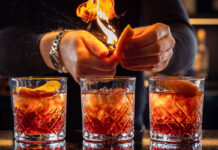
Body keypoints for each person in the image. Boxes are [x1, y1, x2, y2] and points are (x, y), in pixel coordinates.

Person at [0, 0, 197, 130]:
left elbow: (184, 38)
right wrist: (54, 47)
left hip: (126, 136)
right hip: (38, 134)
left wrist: (163, 48)